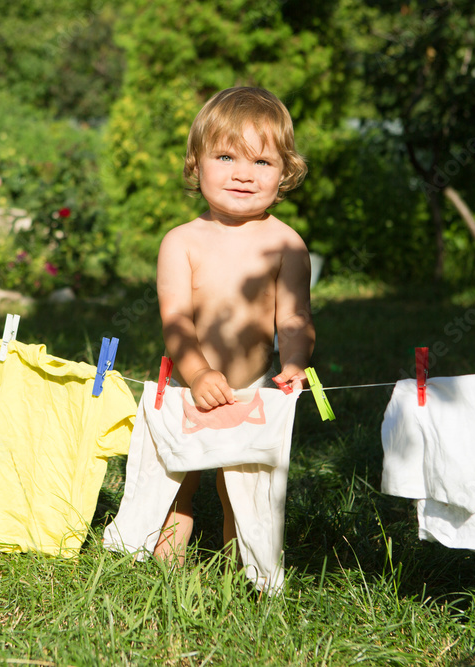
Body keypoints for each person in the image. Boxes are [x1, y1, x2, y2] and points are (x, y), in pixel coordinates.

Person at [153, 86, 315, 564]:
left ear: (285, 173)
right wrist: (198, 373)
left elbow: (294, 316)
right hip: (185, 383)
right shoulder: (181, 242)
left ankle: (237, 573)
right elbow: (176, 319)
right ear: (195, 164)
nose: (243, 174)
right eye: (225, 157)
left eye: (262, 162)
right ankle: (161, 572)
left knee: (242, 488)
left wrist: (296, 361)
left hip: (252, 388)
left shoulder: (286, 245)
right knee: (176, 481)